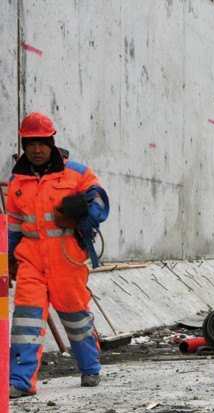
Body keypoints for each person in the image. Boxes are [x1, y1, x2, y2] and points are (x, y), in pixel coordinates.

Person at [7, 112, 109, 398]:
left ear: (51, 142)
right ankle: (22, 381)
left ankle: (90, 367)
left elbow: (98, 196)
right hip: (31, 260)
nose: (36, 149)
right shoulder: (18, 181)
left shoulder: (76, 172)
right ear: (24, 144)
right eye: (30, 143)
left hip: (67, 259)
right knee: (26, 320)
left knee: (76, 318)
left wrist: (87, 216)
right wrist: (9, 261)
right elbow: (14, 227)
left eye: (42, 143)